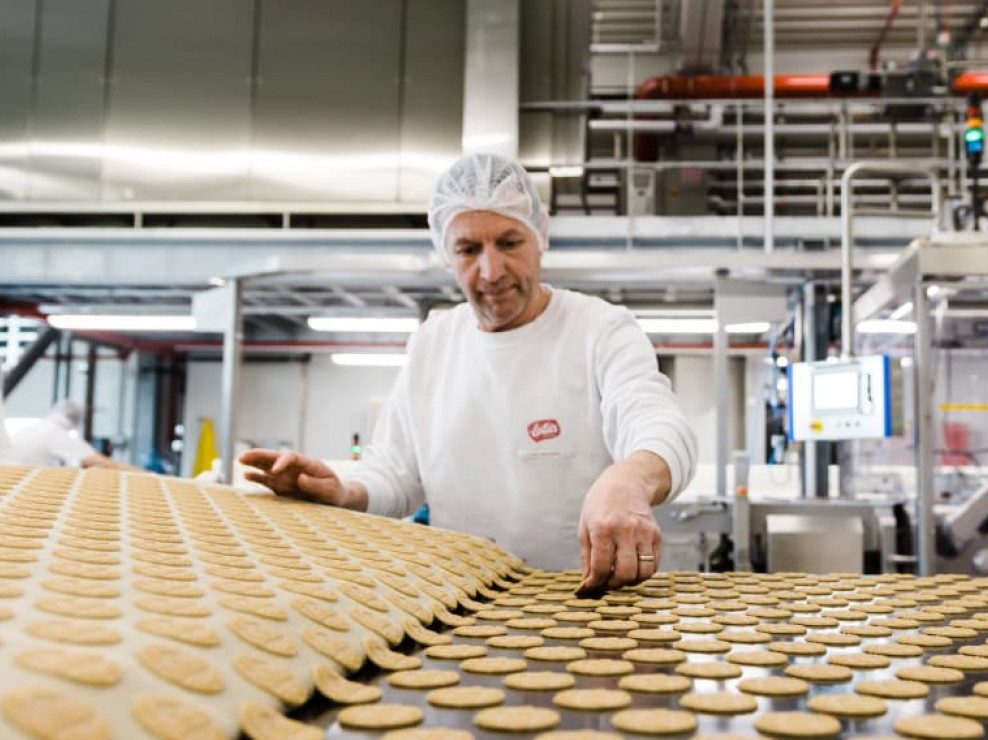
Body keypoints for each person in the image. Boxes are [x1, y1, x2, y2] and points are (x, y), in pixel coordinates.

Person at [242, 153, 697, 590]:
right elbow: (397, 474)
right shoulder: (432, 343)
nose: (491, 270)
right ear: (446, 254)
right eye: (468, 249)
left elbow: (658, 425)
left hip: (589, 601)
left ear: (540, 238)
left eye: (509, 243)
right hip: (464, 605)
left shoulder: (598, 329)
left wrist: (630, 478)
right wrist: (344, 492)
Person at [9, 399, 140, 471]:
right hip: (22, 481)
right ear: (77, 419)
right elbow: (99, 461)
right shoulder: (56, 434)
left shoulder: (33, 428)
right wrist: (147, 474)